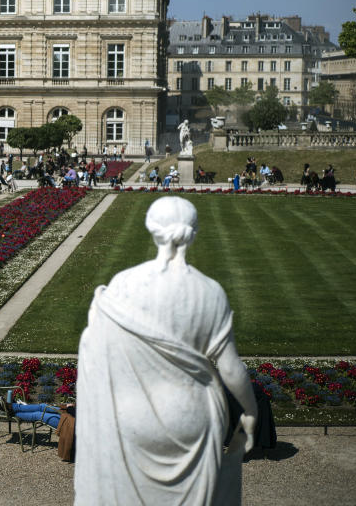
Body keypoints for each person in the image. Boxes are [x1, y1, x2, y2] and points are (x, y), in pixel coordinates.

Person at [74, 197, 257, 504]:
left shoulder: (123, 285)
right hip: (192, 419)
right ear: (194, 231)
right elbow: (231, 369)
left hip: (130, 420)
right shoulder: (210, 292)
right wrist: (251, 410)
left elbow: (96, 351)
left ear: (151, 229)